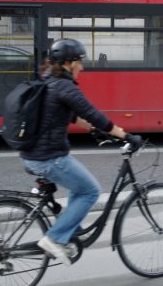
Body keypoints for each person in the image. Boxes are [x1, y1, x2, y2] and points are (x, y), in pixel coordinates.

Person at [20, 38, 137, 266]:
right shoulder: (64, 86)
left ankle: (69, 226)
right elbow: (92, 113)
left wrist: (92, 130)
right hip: (49, 158)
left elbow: (66, 113)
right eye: (80, 62)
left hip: (32, 154)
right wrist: (126, 135)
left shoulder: (49, 81)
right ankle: (54, 239)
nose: (82, 67)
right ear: (69, 62)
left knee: (79, 184)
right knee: (90, 191)